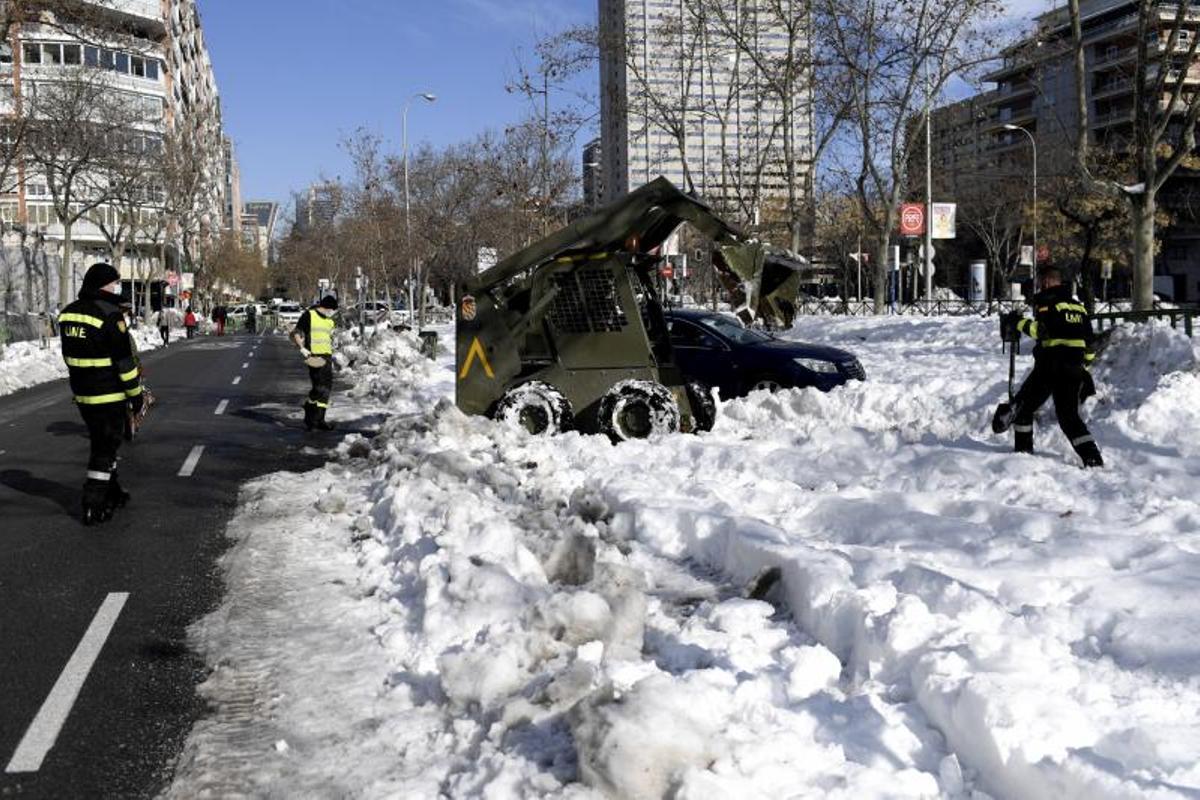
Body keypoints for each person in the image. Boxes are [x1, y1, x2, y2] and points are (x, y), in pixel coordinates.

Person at [58, 263, 145, 524]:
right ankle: (93, 503)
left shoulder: (68, 314)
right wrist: (136, 394)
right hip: (109, 394)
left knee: (103, 442)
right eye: (113, 283)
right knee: (104, 449)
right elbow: (124, 363)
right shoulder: (109, 314)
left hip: (83, 394)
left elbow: (68, 355)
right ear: (102, 285)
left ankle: (113, 491)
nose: (116, 287)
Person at [997, 266, 1103, 468]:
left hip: (1050, 365)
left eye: (1039, 283)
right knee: (1069, 417)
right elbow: (1090, 344)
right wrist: (1084, 366)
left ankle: (1022, 452)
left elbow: (1041, 331)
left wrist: (1018, 322)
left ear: (1045, 282)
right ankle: (1093, 459)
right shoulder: (1078, 308)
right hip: (1073, 368)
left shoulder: (1048, 303)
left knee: (1022, 407)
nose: (1038, 287)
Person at [291, 295, 338, 431]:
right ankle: (311, 415)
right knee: (319, 387)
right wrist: (302, 348)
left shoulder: (329, 320)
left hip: (327, 356)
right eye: (332, 309)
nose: (332, 312)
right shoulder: (309, 315)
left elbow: (329, 336)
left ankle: (320, 419)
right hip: (314, 356)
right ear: (327, 307)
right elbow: (297, 332)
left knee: (327, 388)